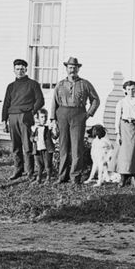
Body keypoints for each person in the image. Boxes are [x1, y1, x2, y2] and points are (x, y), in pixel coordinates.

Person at [49, 56, 100, 185]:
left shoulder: (85, 84)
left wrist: (88, 114)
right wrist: (53, 119)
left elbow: (95, 100)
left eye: (75, 67)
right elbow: (54, 102)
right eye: (70, 67)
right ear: (66, 69)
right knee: (63, 146)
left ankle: (75, 177)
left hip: (78, 115)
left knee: (77, 147)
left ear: (78, 69)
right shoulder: (60, 84)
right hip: (62, 115)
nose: (72, 70)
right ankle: (62, 176)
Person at [1, 59, 46, 181]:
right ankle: (18, 170)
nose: (20, 71)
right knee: (16, 146)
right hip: (12, 117)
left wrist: (31, 112)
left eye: (22, 69)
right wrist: (4, 120)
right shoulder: (10, 86)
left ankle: (30, 172)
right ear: (14, 70)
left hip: (25, 117)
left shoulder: (33, 84)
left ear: (26, 70)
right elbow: (6, 103)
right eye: (17, 69)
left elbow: (40, 100)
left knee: (27, 146)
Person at [114, 79, 135, 188]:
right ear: (125, 90)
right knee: (124, 153)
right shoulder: (121, 102)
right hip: (124, 127)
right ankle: (123, 178)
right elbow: (117, 118)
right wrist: (118, 133)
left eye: (133, 89)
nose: (131, 91)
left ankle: (134, 178)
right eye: (128, 89)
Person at [31, 108, 56, 183]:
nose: (44, 119)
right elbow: (31, 137)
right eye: (42, 117)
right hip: (38, 149)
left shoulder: (48, 128)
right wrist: (33, 138)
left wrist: (54, 130)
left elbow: (54, 136)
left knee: (48, 164)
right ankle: (39, 178)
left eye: (45, 117)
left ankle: (48, 178)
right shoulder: (35, 128)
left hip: (47, 149)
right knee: (39, 165)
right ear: (38, 118)